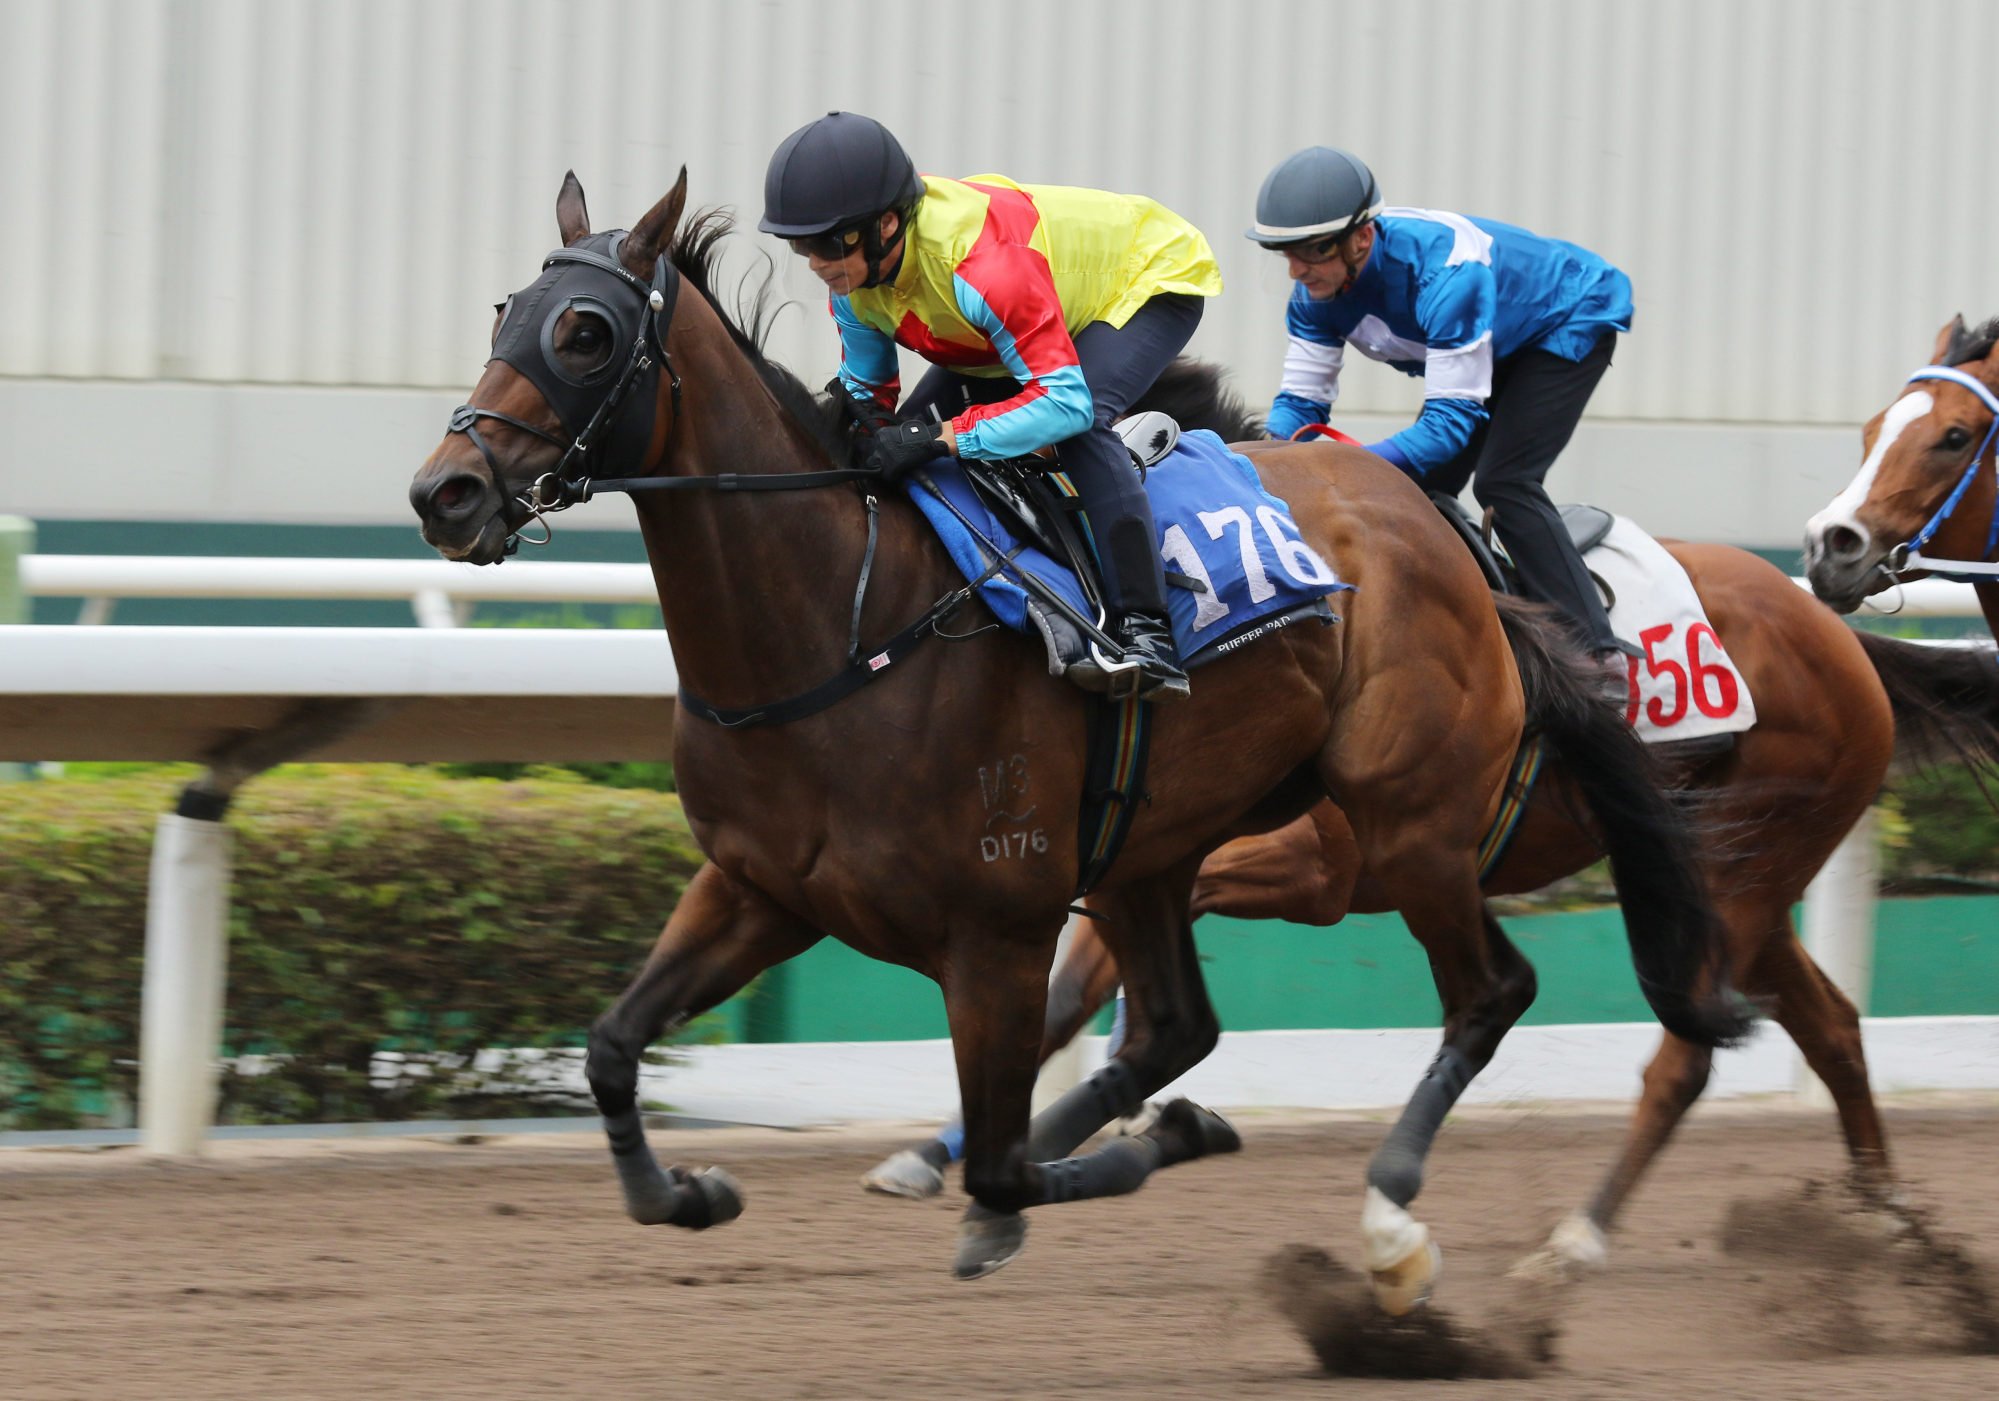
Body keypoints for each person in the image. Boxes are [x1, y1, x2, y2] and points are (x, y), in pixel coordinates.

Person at [759, 111, 1225, 701]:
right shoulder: (856, 286)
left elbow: (1064, 405)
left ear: (885, 226)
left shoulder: (983, 269)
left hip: (1146, 276)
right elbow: (871, 398)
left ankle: (1148, 632)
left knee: (1080, 430)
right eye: (801, 244)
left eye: (828, 243)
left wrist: (947, 437)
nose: (816, 263)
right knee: (904, 442)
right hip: (1008, 320)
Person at [1250, 146, 1640, 663]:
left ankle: (1596, 653)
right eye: (1288, 253)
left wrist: (1346, 469)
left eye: (1314, 250)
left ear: (1361, 238)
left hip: (1565, 318)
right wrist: (1259, 467)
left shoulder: (1447, 275)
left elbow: (1449, 426)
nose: (1297, 271)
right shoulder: (1314, 295)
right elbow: (1300, 405)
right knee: (1419, 490)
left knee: (1504, 481)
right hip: (1491, 337)